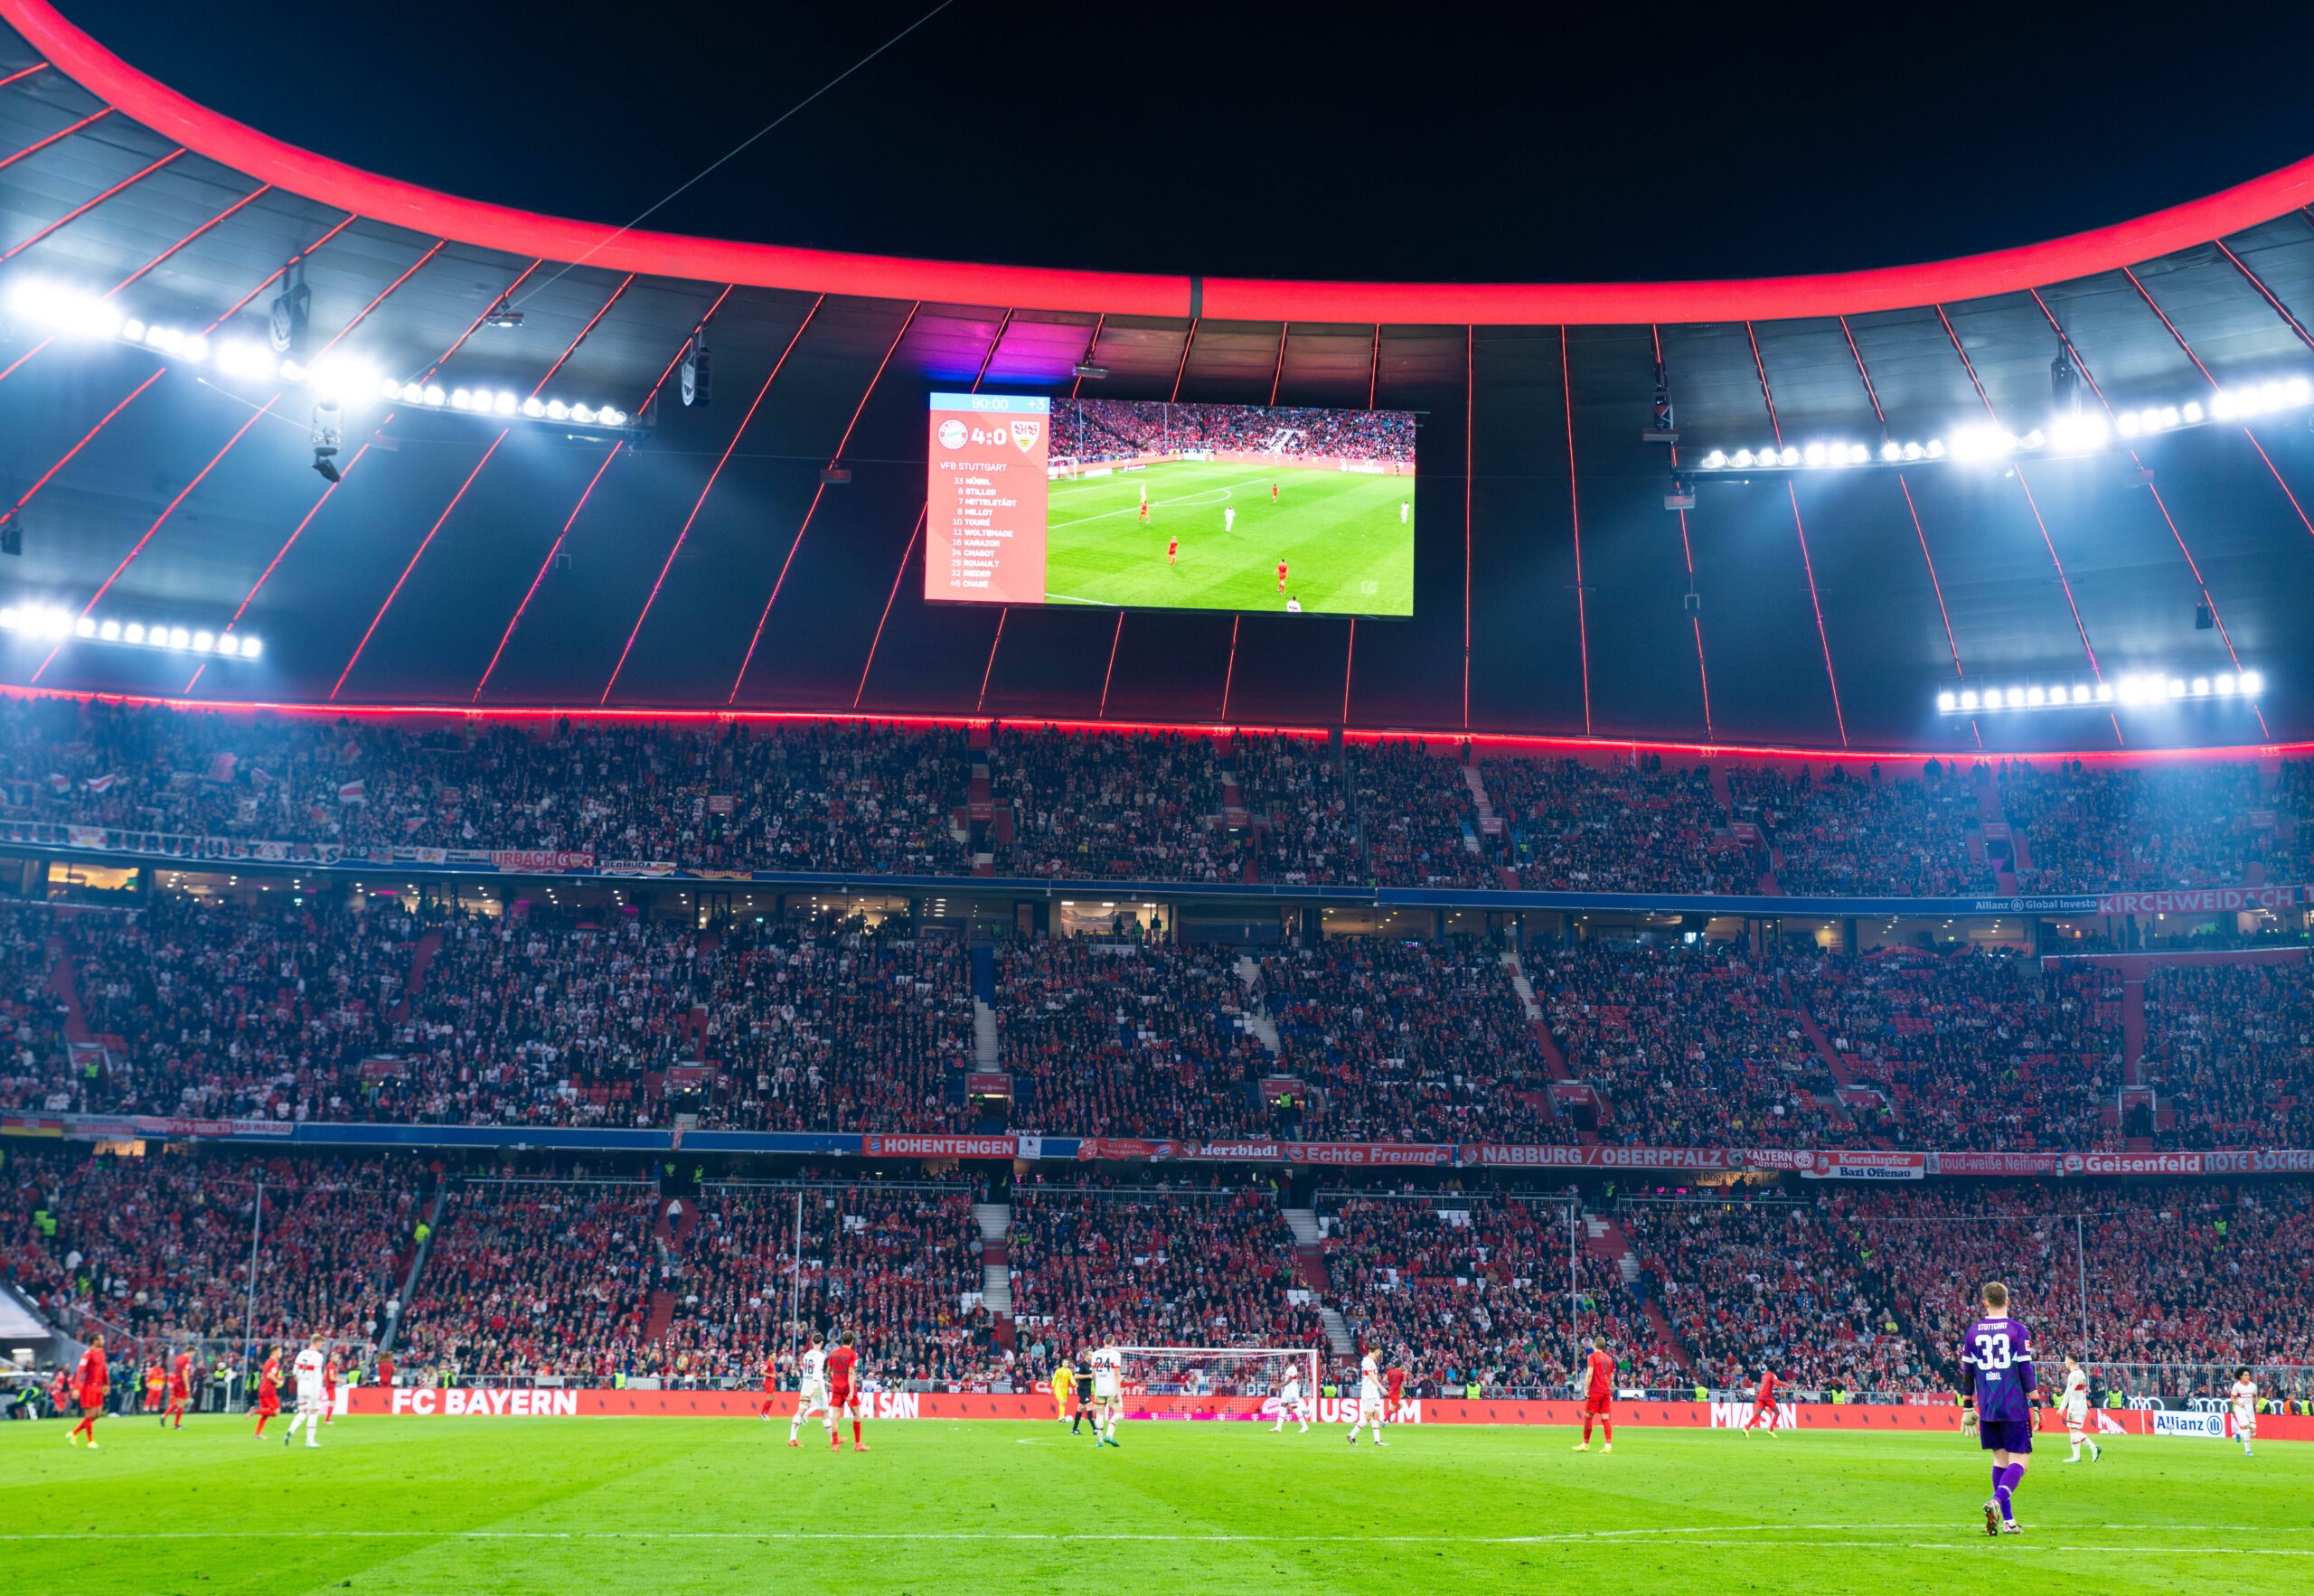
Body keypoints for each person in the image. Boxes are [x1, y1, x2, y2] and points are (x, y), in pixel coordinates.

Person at [1962, 1281, 2035, 1535]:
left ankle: (2008, 1521)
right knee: (2020, 1463)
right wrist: (2035, 1402)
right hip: (2014, 1405)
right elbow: (2025, 1368)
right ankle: (1997, 1501)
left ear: (1984, 1303)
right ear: (2008, 1302)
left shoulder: (1973, 1332)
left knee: (1999, 1460)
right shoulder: (2017, 1330)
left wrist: (1966, 1407)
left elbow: (1967, 1372)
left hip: (1988, 1407)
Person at [788, 1333, 833, 1447]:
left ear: (812, 1342)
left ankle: (792, 1438)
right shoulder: (820, 1356)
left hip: (806, 1383)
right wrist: (815, 1387)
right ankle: (834, 1439)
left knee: (801, 1409)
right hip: (816, 1384)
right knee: (824, 1410)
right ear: (822, 1343)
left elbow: (807, 1371)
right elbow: (817, 1372)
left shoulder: (807, 1354)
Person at [826, 1330, 868, 1453]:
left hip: (836, 1389)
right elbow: (851, 1372)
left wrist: (834, 1381)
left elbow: (828, 1372)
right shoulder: (852, 1354)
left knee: (835, 1416)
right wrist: (850, 1390)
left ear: (842, 1340)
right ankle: (857, 1444)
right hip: (848, 1388)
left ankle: (835, 1445)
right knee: (856, 1414)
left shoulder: (833, 1353)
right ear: (852, 1341)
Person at [1573, 1338, 1614, 1452]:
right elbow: (1611, 1378)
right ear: (1604, 1346)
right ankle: (1608, 1446)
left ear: (1594, 1345)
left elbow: (1590, 1373)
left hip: (1595, 1391)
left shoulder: (1592, 1356)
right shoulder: (1609, 1359)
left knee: (1588, 1416)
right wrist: (1607, 1387)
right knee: (1605, 1418)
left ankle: (1585, 1444)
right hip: (1606, 1391)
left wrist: (1585, 1389)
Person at [65, 1332, 107, 1449]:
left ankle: (74, 1432)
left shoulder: (101, 1353)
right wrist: (76, 1388)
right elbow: (80, 1371)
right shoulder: (87, 1354)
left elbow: (104, 1369)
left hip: (98, 1386)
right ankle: (90, 1441)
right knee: (89, 1414)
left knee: (97, 1414)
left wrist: (106, 1384)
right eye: (101, 1338)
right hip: (89, 1387)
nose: (103, 1340)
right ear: (95, 1341)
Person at [286, 1336, 326, 1449]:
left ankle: (291, 1430)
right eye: (321, 1344)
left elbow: (294, 1372)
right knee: (314, 1412)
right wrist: (319, 1389)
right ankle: (310, 1441)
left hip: (301, 1386)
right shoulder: (318, 1356)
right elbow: (317, 1374)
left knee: (303, 1411)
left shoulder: (301, 1354)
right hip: (312, 1386)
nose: (321, 1346)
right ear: (317, 1343)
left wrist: (301, 1381)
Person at [2057, 1356, 2099, 1463]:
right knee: (2074, 1430)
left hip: (2075, 1406)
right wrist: (2085, 1407)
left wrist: (2061, 1408)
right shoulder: (2081, 1373)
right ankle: (2094, 1448)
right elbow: (2083, 1392)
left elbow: (2068, 1392)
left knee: (2072, 1430)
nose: (2065, 1362)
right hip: (2080, 1405)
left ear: (2071, 1361)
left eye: (2066, 1360)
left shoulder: (2073, 1375)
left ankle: (2077, 1457)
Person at [1347, 1350, 1387, 1445]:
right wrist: (1381, 1388)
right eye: (1379, 1351)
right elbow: (1372, 1377)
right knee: (1368, 1416)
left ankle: (1377, 1440)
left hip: (1374, 1392)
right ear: (1376, 1351)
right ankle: (1351, 1435)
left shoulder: (1370, 1361)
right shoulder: (1368, 1361)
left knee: (1376, 1415)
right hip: (1369, 1393)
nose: (1379, 1354)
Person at [1088, 1341, 1124, 1448]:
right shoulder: (1116, 1354)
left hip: (1099, 1388)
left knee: (1099, 1414)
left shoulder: (1095, 1354)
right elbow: (1117, 1373)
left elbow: (1093, 1374)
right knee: (1118, 1413)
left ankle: (1100, 1441)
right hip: (1111, 1387)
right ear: (1113, 1342)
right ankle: (1109, 1435)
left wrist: (1096, 1387)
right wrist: (1118, 1390)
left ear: (1104, 1342)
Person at [252, 1347, 283, 1440]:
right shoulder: (274, 1363)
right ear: (274, 1352)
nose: (281, 1353)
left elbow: (264, 1376)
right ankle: (254, 1411)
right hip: (269, 1390)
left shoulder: (267, 1362)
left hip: (262, 1389)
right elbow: (270, 1375)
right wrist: (279, 1382)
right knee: (276, 1412)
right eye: (280, 1351)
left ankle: (257, 1434)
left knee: (265, 1413)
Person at [1272, 1366, 1311, 1433]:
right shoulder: (1289, 1370)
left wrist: (1279, 1386)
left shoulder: (1292, 1369)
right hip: (1287, 1393)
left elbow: (1289, 1381)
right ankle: (1278, 1427)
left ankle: (1305, 1426)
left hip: (1292, 1393)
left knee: (1295, 1408)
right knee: (1282, 1406)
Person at [1745, 1365, 1780, 1438]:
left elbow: (1764, 1387)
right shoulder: (1772, 1375)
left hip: (1761, 1397)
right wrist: (1788, 1386)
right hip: (1767, 1398)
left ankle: (1747, 1428)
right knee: (1777, 1412)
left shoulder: (1764, 1376)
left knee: (1757, 1415)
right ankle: (1771, 1430)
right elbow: (1777, 1383)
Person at [2230, 1368, 2258, 1459]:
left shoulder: (2253, 1386)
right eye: (2245, 1375)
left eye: (2248, 1375)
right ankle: (2248, 1451)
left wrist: (2257, 1405)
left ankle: (2238, 1432)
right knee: (2247, 1429)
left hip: (2250, 1410)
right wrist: (2239, 1404)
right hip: (2240, 1409)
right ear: (2241, 1376)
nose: (2247, 1377)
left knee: (2253, 1432)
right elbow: (2232, 1398)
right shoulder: (2237, 1386)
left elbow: (2254, 1396)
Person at [165, 1349, 192, 1431]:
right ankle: (175, 1424)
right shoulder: (185, 1361)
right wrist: (187, 1386)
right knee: (180, 1404)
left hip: (175, 1386)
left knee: (177, 1404)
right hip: (179, 1386)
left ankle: (165, 1415)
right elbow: (184, 1373)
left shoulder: (177, 1361)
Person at [1070, 1353, 1096, 1437]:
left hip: (1088, 1389)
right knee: (1089, 1405)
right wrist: (1089, 1375)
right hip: (1081, 1388)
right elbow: (1076, 1376)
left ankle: (1074, 1429)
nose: (1091, 1357)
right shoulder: (1081, 1365)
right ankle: (1095, 1429)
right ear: (1086, 1356)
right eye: (1090, 1355)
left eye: (1092, 1355)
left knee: (1080, 1408)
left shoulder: (1091, 1365)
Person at [759, 1351, 783, 1424]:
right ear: (770, 1356)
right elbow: (762, 1372)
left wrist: (777, 1374)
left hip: (773, 1382)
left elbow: (772, 1372)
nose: (775, 1356)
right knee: (769, 1398)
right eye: (774, 1355)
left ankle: (766, 1413)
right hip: (768, 1382)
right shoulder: (768, 1362)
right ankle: (762, 1413)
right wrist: (771, 1375)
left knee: (772, 1399)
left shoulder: (772, 1363)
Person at [1049, 1354, 1074, 1423]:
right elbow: (1054, 1379)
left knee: (1063, 1404)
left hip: (1065, 1389)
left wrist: (1075, 1385)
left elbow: (1071, 1379)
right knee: (1061, 1401)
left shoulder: (1069, 1371)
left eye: (1067, 1363)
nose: (1066, 1364)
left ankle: (1061, 1418)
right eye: (1065, 1363)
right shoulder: (1058, 1371)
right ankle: (1062, 1417)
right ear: (1062, 1363)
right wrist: (1052, 1386)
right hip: (1058, 1388)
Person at [322, 1349, 341, 1427]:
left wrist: (324, 1380)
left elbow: (325, 1373)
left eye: (338, 1358)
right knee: (332, 1402)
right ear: (331, 1358)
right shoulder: (331, 1366)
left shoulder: (329, 1365)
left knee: (332, 1401)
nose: (337, 1359)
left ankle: (327, 1419)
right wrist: (340, 1380)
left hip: (329, 1386)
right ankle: (327, 1420)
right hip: (330, 1386)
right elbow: (331, 1378)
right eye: (336, 1357)